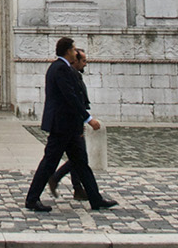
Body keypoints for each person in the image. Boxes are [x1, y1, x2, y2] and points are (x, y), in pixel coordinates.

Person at [24, 36, 117, 212]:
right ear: (68, 51)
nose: (76, 52)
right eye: (74, 49)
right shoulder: (60, 69)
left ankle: (95, 199)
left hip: (68, 127)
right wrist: (89, 119)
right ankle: (31, 199)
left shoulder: (61, 68)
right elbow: (71, 98)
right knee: (49, 163)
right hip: (62, 126)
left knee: (81, 163)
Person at [48, 47, 91, 200]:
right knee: (79, 158)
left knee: (78, 157)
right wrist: (85, 119)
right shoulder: (68, 74)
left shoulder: (73, 74)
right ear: (75, 60)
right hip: (69, 124)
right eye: (83, 60)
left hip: (72, 123)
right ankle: (56, 178)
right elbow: (73, 100)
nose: (86, 64)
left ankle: (78, 189)